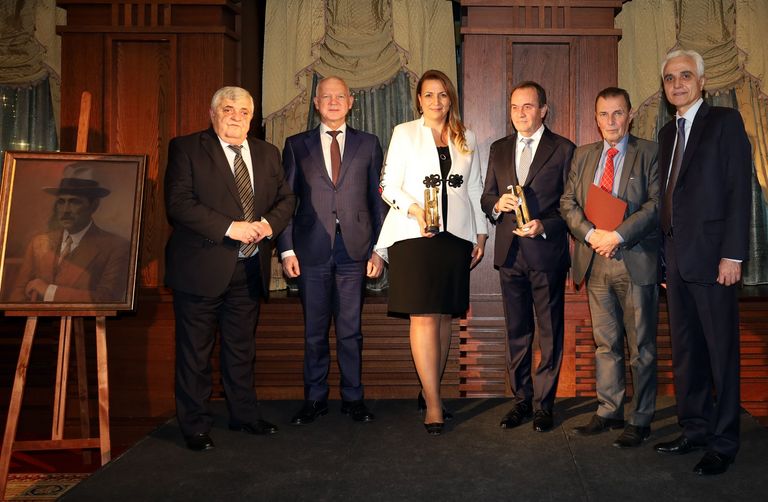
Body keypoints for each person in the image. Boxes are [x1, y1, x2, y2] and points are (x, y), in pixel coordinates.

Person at [164, 86, 295, 451]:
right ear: (213, 113)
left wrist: (267, 225)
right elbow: (178, 203)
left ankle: (244, 415)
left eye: (243, 111)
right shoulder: (187, 148)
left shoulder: (267, 153)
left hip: (248, 270)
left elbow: (287, 199)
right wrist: (230, 227)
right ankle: (194, 425)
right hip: (200, 269)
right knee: (195, 353)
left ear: (252, 118)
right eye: (228, 109)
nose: (236, 116)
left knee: (241, 349)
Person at [652, 50, 751, 475]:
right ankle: (694, 429)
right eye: (670, 78)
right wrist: (663, 260)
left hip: (714, 261)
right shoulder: (666, 133)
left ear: (702, 81)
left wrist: (733, 254)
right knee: (687, 351)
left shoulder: (725, 123)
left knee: (720, 354)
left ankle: (724, 442)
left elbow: (738, 190)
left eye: (685, 76)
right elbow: (668, 198)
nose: (677, 84)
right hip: (676, 260)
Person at [376, 69, 487, 435]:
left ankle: (429, 391)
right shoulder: (404, 132)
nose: (436, 101)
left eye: (442, 94)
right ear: (419, 100)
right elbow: (388, 185)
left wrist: (480, 233)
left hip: (455, 236)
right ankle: (435, 405)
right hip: (414, 235)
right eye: (428, 95)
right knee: (423, 317)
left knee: (443, 318)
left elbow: (473, 187)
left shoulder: (467, 135)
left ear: (450, 98)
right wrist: (416, 211)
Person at [277, 76, 386, 425]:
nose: (334, 102)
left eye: (340, 96)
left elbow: (378, 201)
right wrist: (287, 250)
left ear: (351, 101)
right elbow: (285, 202)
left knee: (351, 331)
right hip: (310, 251)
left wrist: (380, 250)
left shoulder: (369, 144)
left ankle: (354, 398)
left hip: (356, 251)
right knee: (314, 331)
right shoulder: (296, 145)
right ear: (316, 103)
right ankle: (315, 399)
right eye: (327, 97)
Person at [560, 87, 660, 447]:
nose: (611, 121)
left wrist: (617, 235)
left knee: (641, 347)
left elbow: (656, 205)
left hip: (634, 260)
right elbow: (568, 202)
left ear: (630, 115)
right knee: (605, 344)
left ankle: (641, 417)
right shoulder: (584, 154)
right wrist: (591, 235)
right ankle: (609, 410)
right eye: (604, 114)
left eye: (618, 113)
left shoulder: (650, 152)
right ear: (596, 118)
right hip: (595, 261)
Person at [481, 81, 575, 432]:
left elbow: (571, 206)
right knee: (516, 331)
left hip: (546, 253)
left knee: (549, 332)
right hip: (510, 253)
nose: (520, 113)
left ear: (543, 110)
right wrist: (496, 205)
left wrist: (544, 225)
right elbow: (486, 197)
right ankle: (521, 400)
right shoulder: (499, 148)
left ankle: (543, 405)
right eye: (515, 107)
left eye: (528, 106)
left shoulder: (563, 149)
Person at [8, 164, 130, 303]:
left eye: (74, 202)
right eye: (61, 202)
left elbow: (108, 299)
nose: (65, 210)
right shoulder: (39, 243)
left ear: (94, 205)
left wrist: (48, 291)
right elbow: (17, 296)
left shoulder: (116, 247)